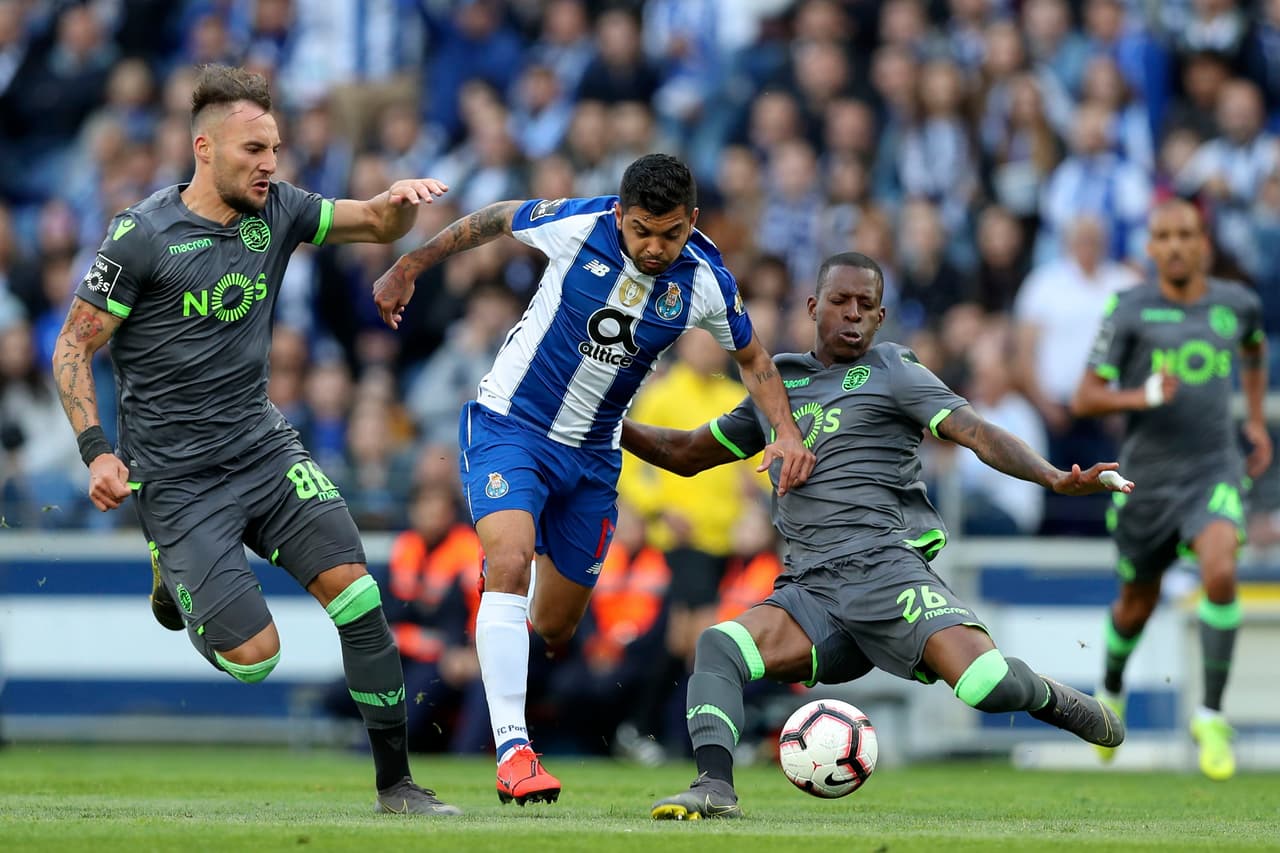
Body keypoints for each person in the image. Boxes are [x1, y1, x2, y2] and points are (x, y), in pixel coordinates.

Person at [50, 65, 460, 816]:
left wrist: (399, 207)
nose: (270, 163)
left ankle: (397, 785)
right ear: (203, 148)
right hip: (176, 481)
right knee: (256, 659)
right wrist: (96, 450)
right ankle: (173, 570)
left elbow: (370, 220)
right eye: (252, 150)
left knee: (360, 595)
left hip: (264, 451)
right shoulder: (140, 236)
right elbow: (73, 348)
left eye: (274, 147)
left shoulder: (279, 211)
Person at [620, 251, 1132, 820]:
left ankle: (1047, 695)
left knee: (988, 685)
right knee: (720, 644)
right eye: (841, 301)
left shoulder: (894, 370)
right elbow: (685, 453)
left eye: (867, 305)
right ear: (813, 306)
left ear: (881, 316)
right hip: (810, 590)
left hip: (887, 572)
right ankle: (714, 787)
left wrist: (1054, 477)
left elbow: (978, 433)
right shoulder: (779, 388)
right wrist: (606, 423)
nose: (854, 314)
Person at [371, 152, 815, 805]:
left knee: (553, 623)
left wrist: (786, 431)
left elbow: (753, 358)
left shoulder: (706, 281)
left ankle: (508, 587)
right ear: (619, 213)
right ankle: (515, 752)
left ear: (692, 220)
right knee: (508, 560)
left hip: (594, 456)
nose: (656, 246)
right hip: (511, 424)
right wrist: (409, 264)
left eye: (670, 232)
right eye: (641, 231)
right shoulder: (577, 225)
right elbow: (493, 218)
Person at [1071, 200, 1271, 780]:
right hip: (1145, 483)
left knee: (1222, 570)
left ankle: (1210, 715)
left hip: (1213, 469)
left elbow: (1255, 352)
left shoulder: (1237, 305)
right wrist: (1143, 397)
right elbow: (1084, 396)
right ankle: (1109, 688)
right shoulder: (1129, 309)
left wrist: (1254, 420)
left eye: (1186, 234)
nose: (1177, 245)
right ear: (1151, 248)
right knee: (1137, 604)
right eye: (1164, 236)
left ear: (1202, 242)